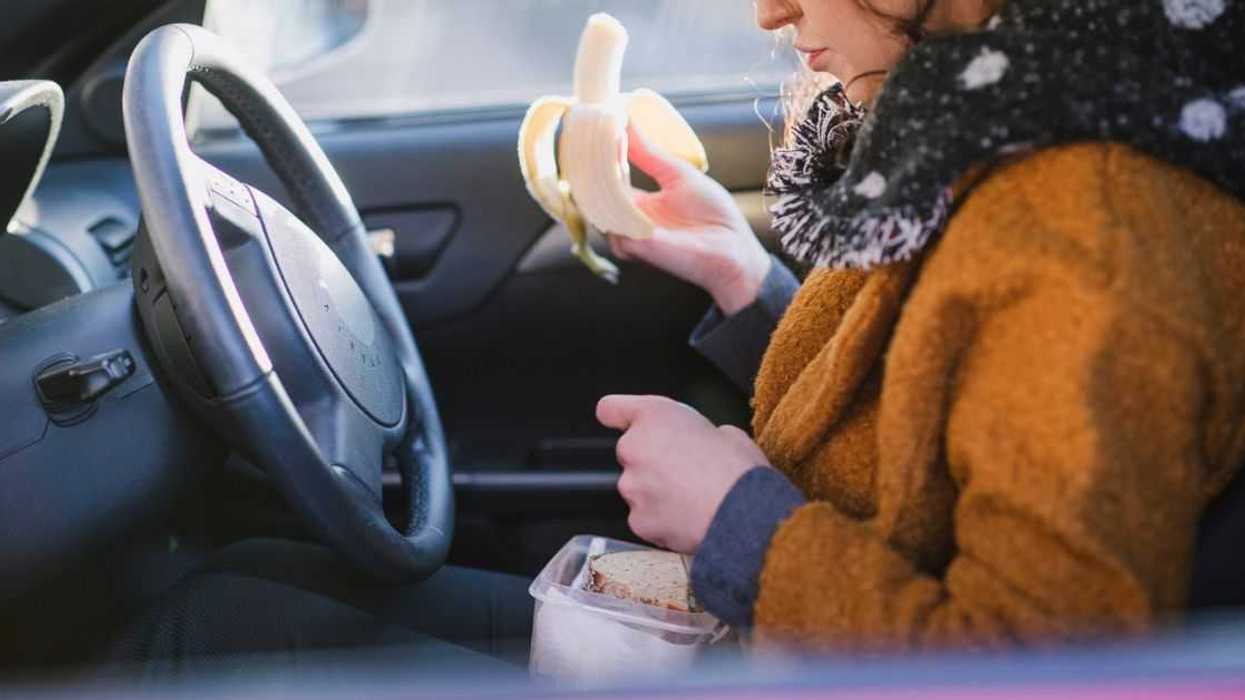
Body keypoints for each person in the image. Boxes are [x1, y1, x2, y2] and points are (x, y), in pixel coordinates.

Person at [596, 0, 1245, 650]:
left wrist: (735, 526)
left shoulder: (1080, 233)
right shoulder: (997, 119)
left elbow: (1044, 667)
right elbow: (923, 414)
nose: (771, 13)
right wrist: (744, 279)